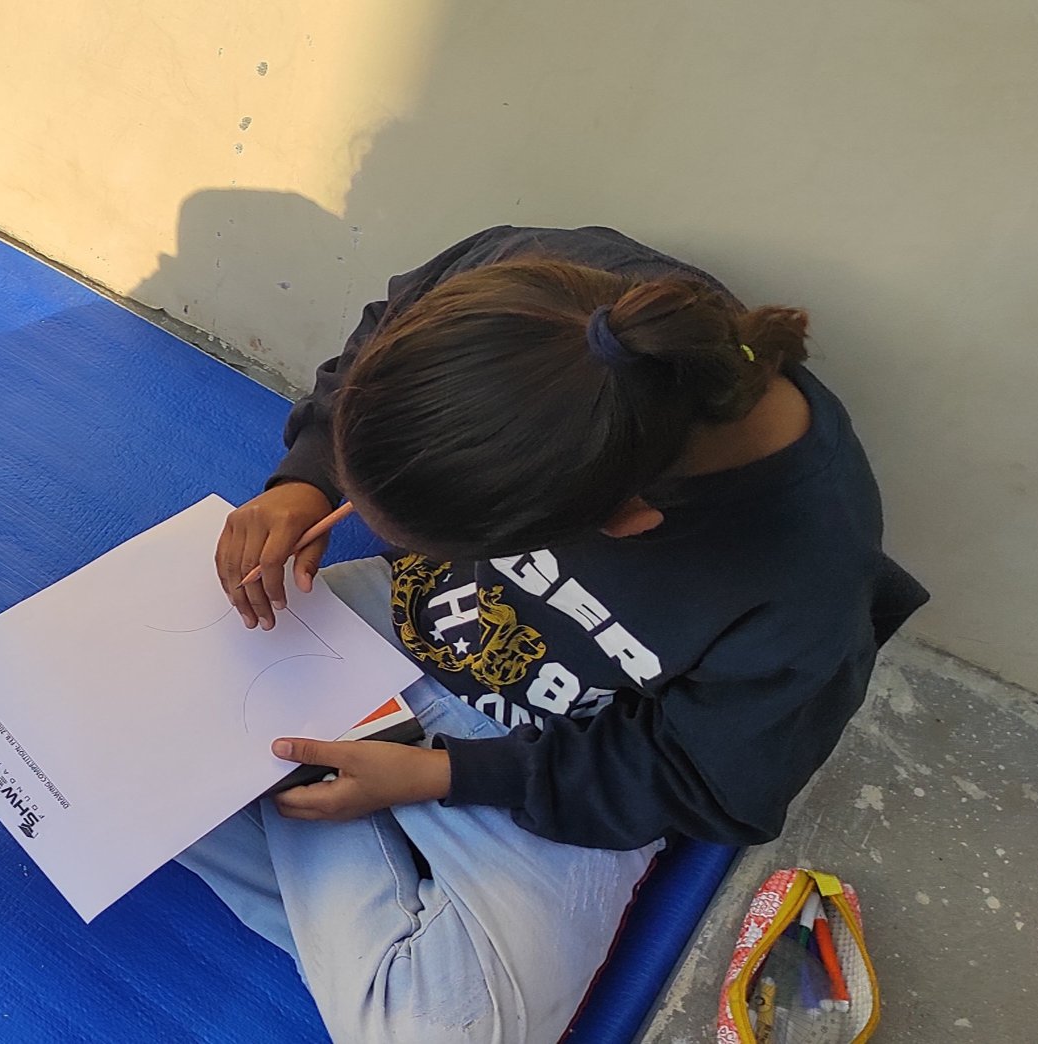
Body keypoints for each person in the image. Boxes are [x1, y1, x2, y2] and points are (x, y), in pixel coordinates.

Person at [188, 225, 925, 1042]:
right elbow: (381, 342)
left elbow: (703, 781)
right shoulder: (533, 287)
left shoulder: (806, 577)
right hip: (399, 625)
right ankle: (358, 882)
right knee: (97, 735)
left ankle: (297, 806)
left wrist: (440, 776)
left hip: (552, 760)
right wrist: (305, 479)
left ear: (624, 524)